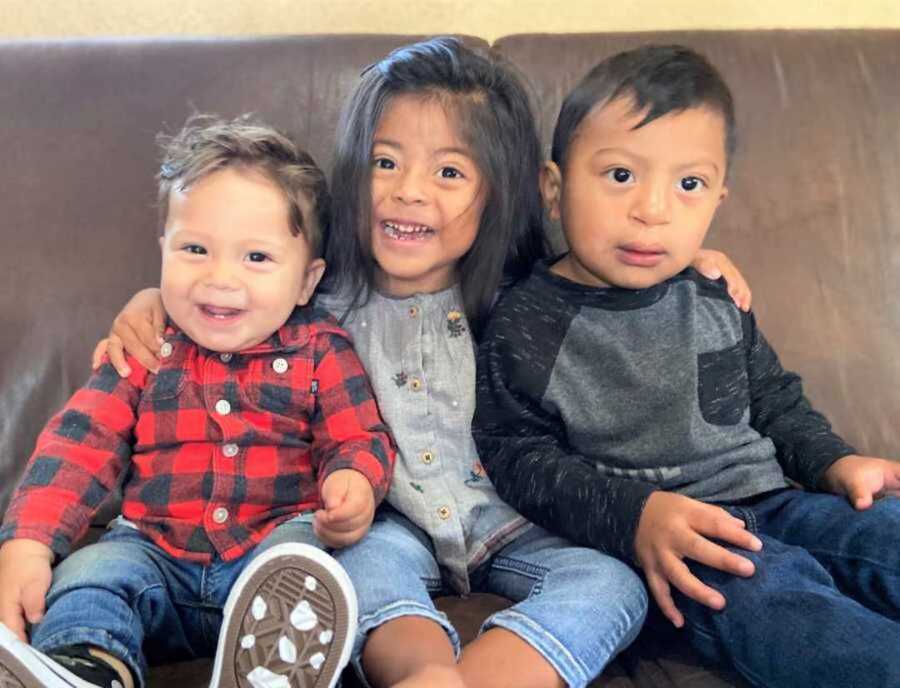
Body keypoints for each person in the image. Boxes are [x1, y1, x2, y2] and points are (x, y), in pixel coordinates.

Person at [93, 39, 752, 688]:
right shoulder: (316, 301)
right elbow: (233, 295)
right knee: (350, 575)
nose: (408, 192)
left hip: (517, 523)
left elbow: (619, 270)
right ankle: (423, 676)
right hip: (391, 525)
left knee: (612, 582)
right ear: (354, 170)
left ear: (496, 193)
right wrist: (155, 298)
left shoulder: (530, 295)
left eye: (448, 172)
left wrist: (690, 272)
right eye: (385, 162)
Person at [472, 44, 900, 688]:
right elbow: (517, 457)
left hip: (779, 499)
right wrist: (635, 515)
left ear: (717, 199)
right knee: (797, 616)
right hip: (670, 541)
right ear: (554, 189)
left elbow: (774, 400)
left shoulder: (712, 293)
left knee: (885, 534)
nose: (653, 209)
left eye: (688, 185)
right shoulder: (527, 321)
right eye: (620, 176)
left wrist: (835, 461)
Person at [0, 115, 396, 688]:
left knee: (312, 561)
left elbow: (358, 436)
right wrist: (29, 540)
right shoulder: (144, 346)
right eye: (195, 249)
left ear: (307, 281)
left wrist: (355, 481)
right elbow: (80, 441)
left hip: (272, 547)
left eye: (256, 258)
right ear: (162, 250)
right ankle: (85, 668)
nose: (220, 279)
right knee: (90, 575)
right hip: (155, 555)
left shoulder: (322, 350)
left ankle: (270, 669)